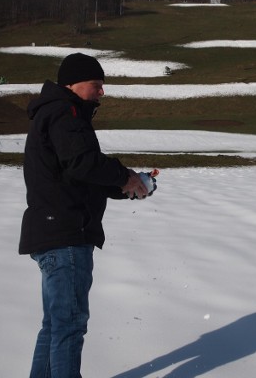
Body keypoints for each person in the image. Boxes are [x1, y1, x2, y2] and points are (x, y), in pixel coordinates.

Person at [19, 52, 155, 378]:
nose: (102, 93)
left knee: (55, 325)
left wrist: (130, 184)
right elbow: (83, 163)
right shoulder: (65, 115)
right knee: (68, 325)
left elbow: (79, 175)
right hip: (66, 236)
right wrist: (125, 177)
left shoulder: (57, 114)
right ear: (73, 84)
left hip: (54, 233)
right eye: (97, 85)